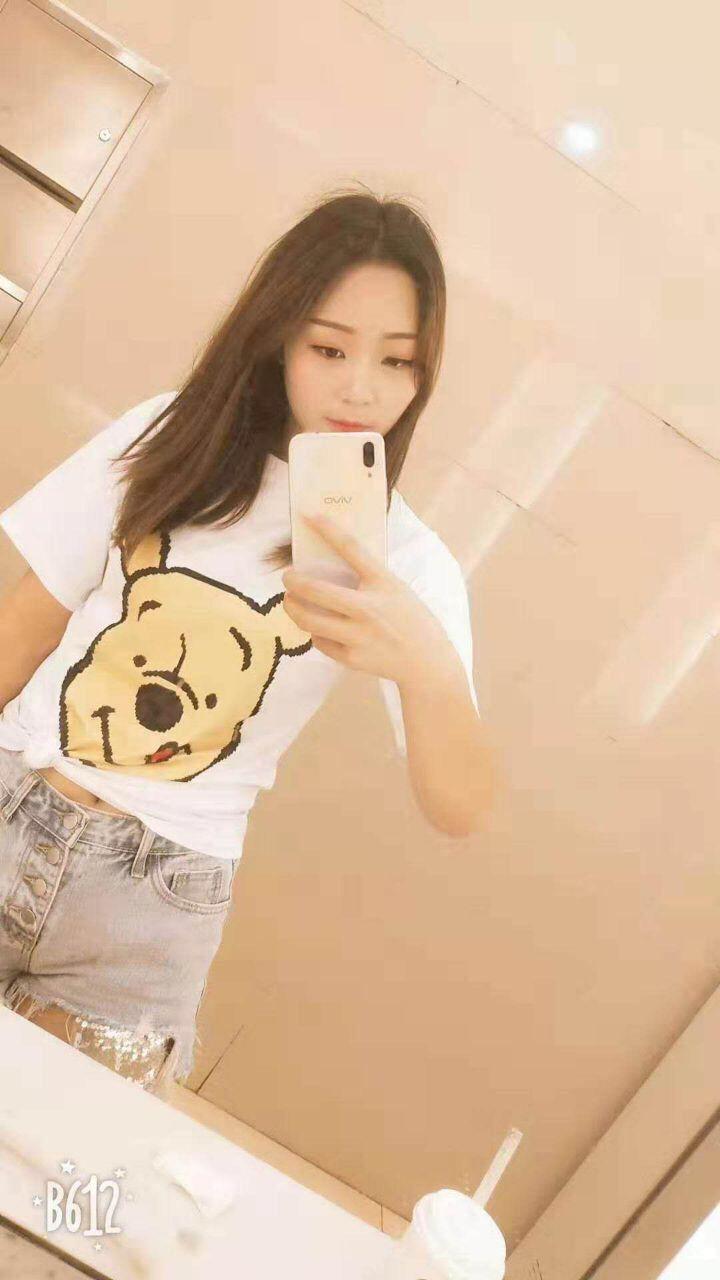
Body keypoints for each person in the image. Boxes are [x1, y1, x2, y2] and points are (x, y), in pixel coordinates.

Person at [0, 189, 493, 1096]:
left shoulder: (409, 561)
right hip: (14, 794)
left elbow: (460, 807)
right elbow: (22, 628)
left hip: (150, 905)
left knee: (59, 1163)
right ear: (277, 338)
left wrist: (425, 665)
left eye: (397, 361)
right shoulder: (168, 435)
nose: (361, 388)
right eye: (330, 348)